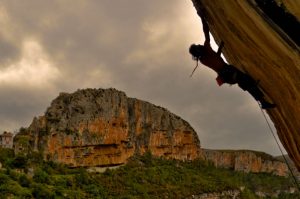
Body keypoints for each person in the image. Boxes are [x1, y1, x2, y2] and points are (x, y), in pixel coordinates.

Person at [189, 12, 276, 109]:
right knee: (246, 82)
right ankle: (262, 102)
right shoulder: (206, 49)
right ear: (198, 50)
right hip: (228, 71)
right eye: (198, 46)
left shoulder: (203, 59)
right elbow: (206, 32)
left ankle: (261, 100)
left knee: (246, 82)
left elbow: (216, 60)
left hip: (226, 75)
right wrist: (202, 18)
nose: (199, 45)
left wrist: (220, 49)